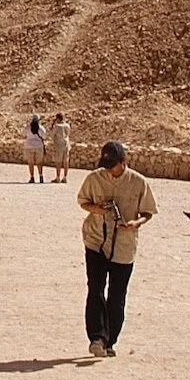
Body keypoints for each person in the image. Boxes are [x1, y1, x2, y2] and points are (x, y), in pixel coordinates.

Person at [77, 140, 156, 357]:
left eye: (113, 165)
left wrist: (134, 224)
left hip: (124, 246)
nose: (109, 170)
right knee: (95, 288)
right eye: (106, 165)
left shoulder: (139, 182)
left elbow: (148, 212)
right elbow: (82, 202)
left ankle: (110, 340)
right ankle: (96, 337)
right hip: (96, 241)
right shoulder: (94, 179)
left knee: (117, 295)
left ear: (124, 161)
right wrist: (97, 210)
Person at [47, 113, 72, 183]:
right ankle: (65, 177)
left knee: (58, 162)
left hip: (59, 146)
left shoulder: (57, 126)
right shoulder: (67, 125)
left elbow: (52, 134)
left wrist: (52, 124)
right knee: (66, 161)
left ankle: (58, 177)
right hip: (66, 144)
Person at [23, 116, 47, 183]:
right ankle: (41, 176)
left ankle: (32, 177)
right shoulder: (41, 128)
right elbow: (44, 137)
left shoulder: (28, 128)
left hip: (29, 146)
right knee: (39, 162)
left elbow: (24, 135)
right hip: (39, 146)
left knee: (31, 163)